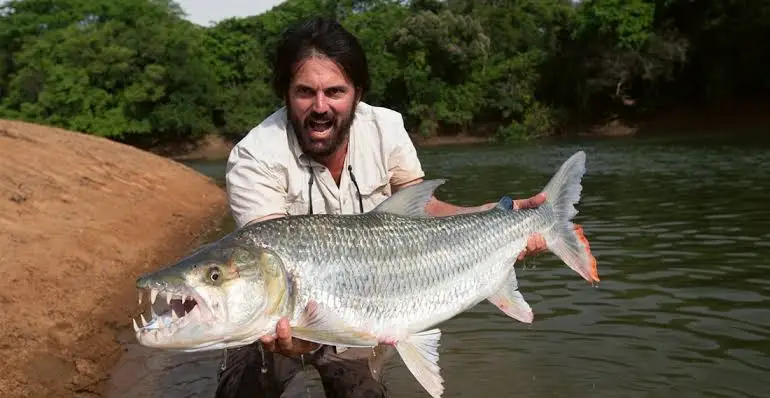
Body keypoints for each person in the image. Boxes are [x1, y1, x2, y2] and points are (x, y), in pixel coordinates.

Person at [217, 17, 547, 398]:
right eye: (305, 92)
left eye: (336, 92)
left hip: (368, 311)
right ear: (286, 94)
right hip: (279, 317)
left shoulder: (387, 128)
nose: (320, 107)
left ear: (357, 93)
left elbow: (427, 211)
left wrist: (502, 214)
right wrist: (299, 330)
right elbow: (269, 260)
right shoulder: (253, 156)